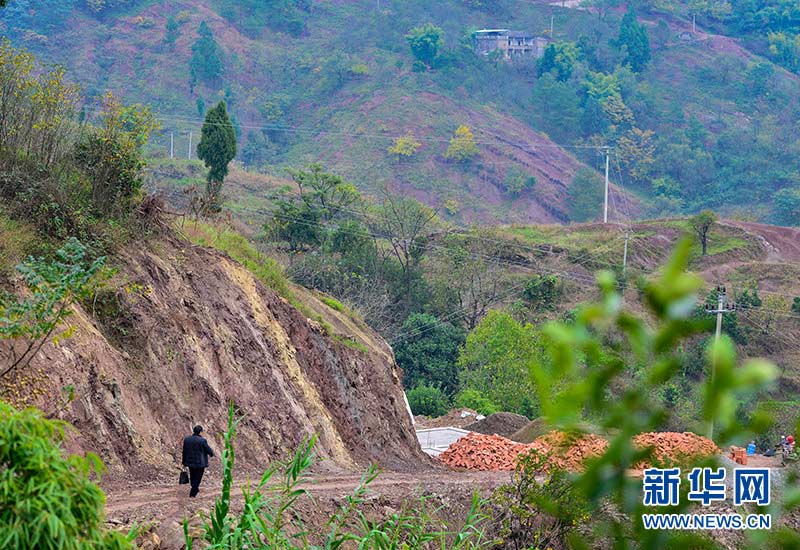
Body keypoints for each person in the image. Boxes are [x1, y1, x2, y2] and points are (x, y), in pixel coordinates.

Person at [182, 425, 214, 497]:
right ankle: (193, 492)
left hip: (190, 462)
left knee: (192, 475)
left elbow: (184, 451)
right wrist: (211, 454)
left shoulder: (187, 440)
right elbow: (208, 450)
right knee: (198, 477)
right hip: (200, 463)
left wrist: (184, 462)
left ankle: (194, 487)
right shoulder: (202, 440)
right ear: (200, 432)